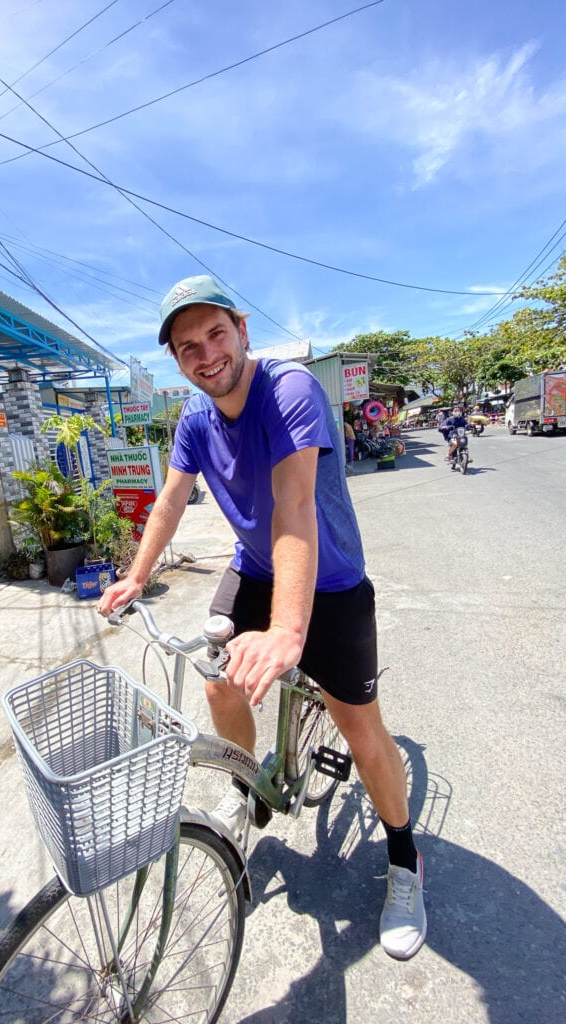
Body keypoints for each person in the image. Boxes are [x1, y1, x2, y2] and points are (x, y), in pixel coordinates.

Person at [97, 275, 427, 961]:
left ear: (241, 329)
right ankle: (249, 790)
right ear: (178, 360)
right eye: (187, 347)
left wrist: (287, 630)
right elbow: (169, 501)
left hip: (329, 582)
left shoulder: (289, 390)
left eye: (215, 334)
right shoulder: (193, 418)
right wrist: (135, 575)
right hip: (253, 569)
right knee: (216, 675)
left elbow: (295, 508)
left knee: (359, 727)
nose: (205, 353)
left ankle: (404, 859)